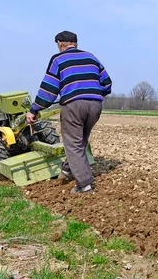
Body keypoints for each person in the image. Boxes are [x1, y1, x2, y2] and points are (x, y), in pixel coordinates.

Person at [26, 30, 112, 194]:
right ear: (75, 43)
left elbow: (49, 90)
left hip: (73, 106)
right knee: (80, 141)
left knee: (73, 144)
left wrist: (34, 109)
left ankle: (85, 185)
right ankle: (67, 170)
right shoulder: (91, 57)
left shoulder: (58, 59)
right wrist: (93, 95)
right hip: (95, 106)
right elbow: (107, 83)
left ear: (59, 43)